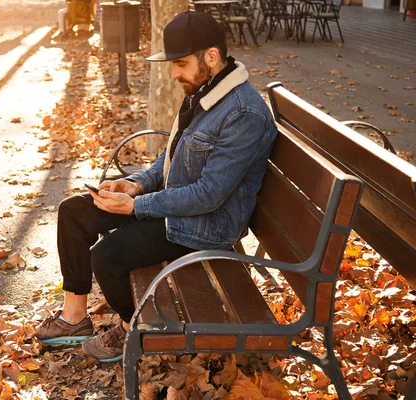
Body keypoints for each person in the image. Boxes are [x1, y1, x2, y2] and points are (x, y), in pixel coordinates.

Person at [36, 10, 278, 362]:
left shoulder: (243, 114)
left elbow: (209, 195)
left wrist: (138, 207)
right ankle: (74, 318)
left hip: (206, 227)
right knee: (74, 211)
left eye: (180, 63)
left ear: (211, 56)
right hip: (178, 206)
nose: (174, 73)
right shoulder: (205, 90)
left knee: (107, 257)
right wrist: (135, 185)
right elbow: (170, 155)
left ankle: (134, 326)